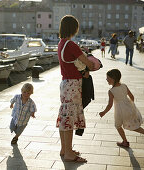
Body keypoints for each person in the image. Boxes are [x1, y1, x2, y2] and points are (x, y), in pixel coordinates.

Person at [56, 15, 94, 163]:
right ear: (74, 28)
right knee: (69, 119)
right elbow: (89, 64)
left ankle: (65, 149)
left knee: (65, 115)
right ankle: (69, 154)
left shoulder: (61, 43)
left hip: (65, 83)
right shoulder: (71, 45)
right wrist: (89, 63)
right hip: (73, 85)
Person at [99, 69, 144, 147]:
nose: (106, 79)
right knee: (132, 125)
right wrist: (130, 106)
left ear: (113, 78)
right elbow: (132, 97)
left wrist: (103, 112)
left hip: (120, 111)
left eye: (108, 78)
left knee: (118, 125)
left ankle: (125, 142)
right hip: (129, 107)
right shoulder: (124, 85)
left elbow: (109, 105)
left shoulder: (111, 91)